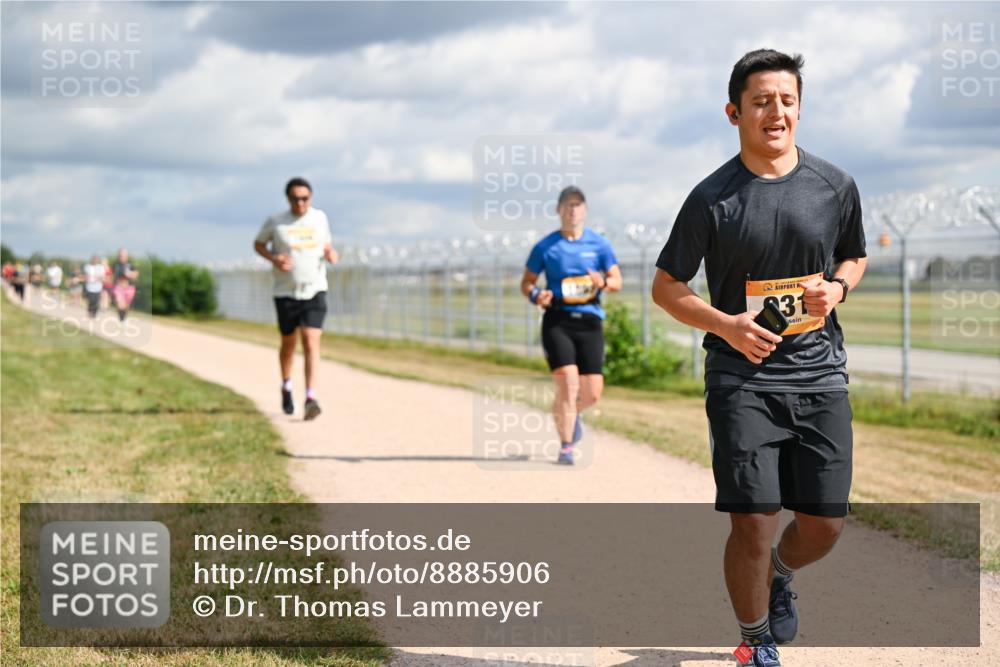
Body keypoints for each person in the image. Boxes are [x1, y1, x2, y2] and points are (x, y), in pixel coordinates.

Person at [651, 49, 867, 667]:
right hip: (740, 378)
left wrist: (840, 287)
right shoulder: (711, 198)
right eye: (761, 101)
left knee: (824, 524)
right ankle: (754, 642)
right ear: (734, 112)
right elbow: (667, 287)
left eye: (787, 100)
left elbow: (853, 254)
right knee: (753, 518)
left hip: (820, 375)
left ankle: (777, 574)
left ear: (799, 108)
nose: (776, 112)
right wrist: (728, 326)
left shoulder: (834, 185)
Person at [520, 186, 623, 465]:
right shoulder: (546, 247)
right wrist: (536, 295)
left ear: (585, 210)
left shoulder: (599, 245)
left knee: (592, 392)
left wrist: (604, 283)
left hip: (590, 322)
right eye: (567, 205)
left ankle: (567, 414)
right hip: (558, 320)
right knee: (568, 384)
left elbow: (616, 280)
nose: (572, 210)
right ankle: (566, 446)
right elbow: (527, 282)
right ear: (558, 210)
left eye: (577, 205)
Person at [254, 177, 338, 420]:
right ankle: (286, 385)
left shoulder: (319, 218)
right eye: (295, 199)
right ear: (288, 199)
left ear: (310, 198)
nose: (300, 203)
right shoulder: (276, 222)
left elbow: (327, 245)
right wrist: (274, 259)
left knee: (311, 341)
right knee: (289, 344)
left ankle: (311, 396)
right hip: (286, 291)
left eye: (305, 198)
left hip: (315, 288)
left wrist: (331, 253)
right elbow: (258, 244)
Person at [112, 249, 139, 321]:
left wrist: (130, 274)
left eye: (123, 256)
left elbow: (136, 275)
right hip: (118, 287)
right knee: (120, 304)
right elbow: (112, 276)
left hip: (129, 287)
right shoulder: (115, 264)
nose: (121, 257)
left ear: (127, 256)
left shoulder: (130, 265)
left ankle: (123, 318)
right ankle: (122, 319)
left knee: (126, 305)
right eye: (120, 255)